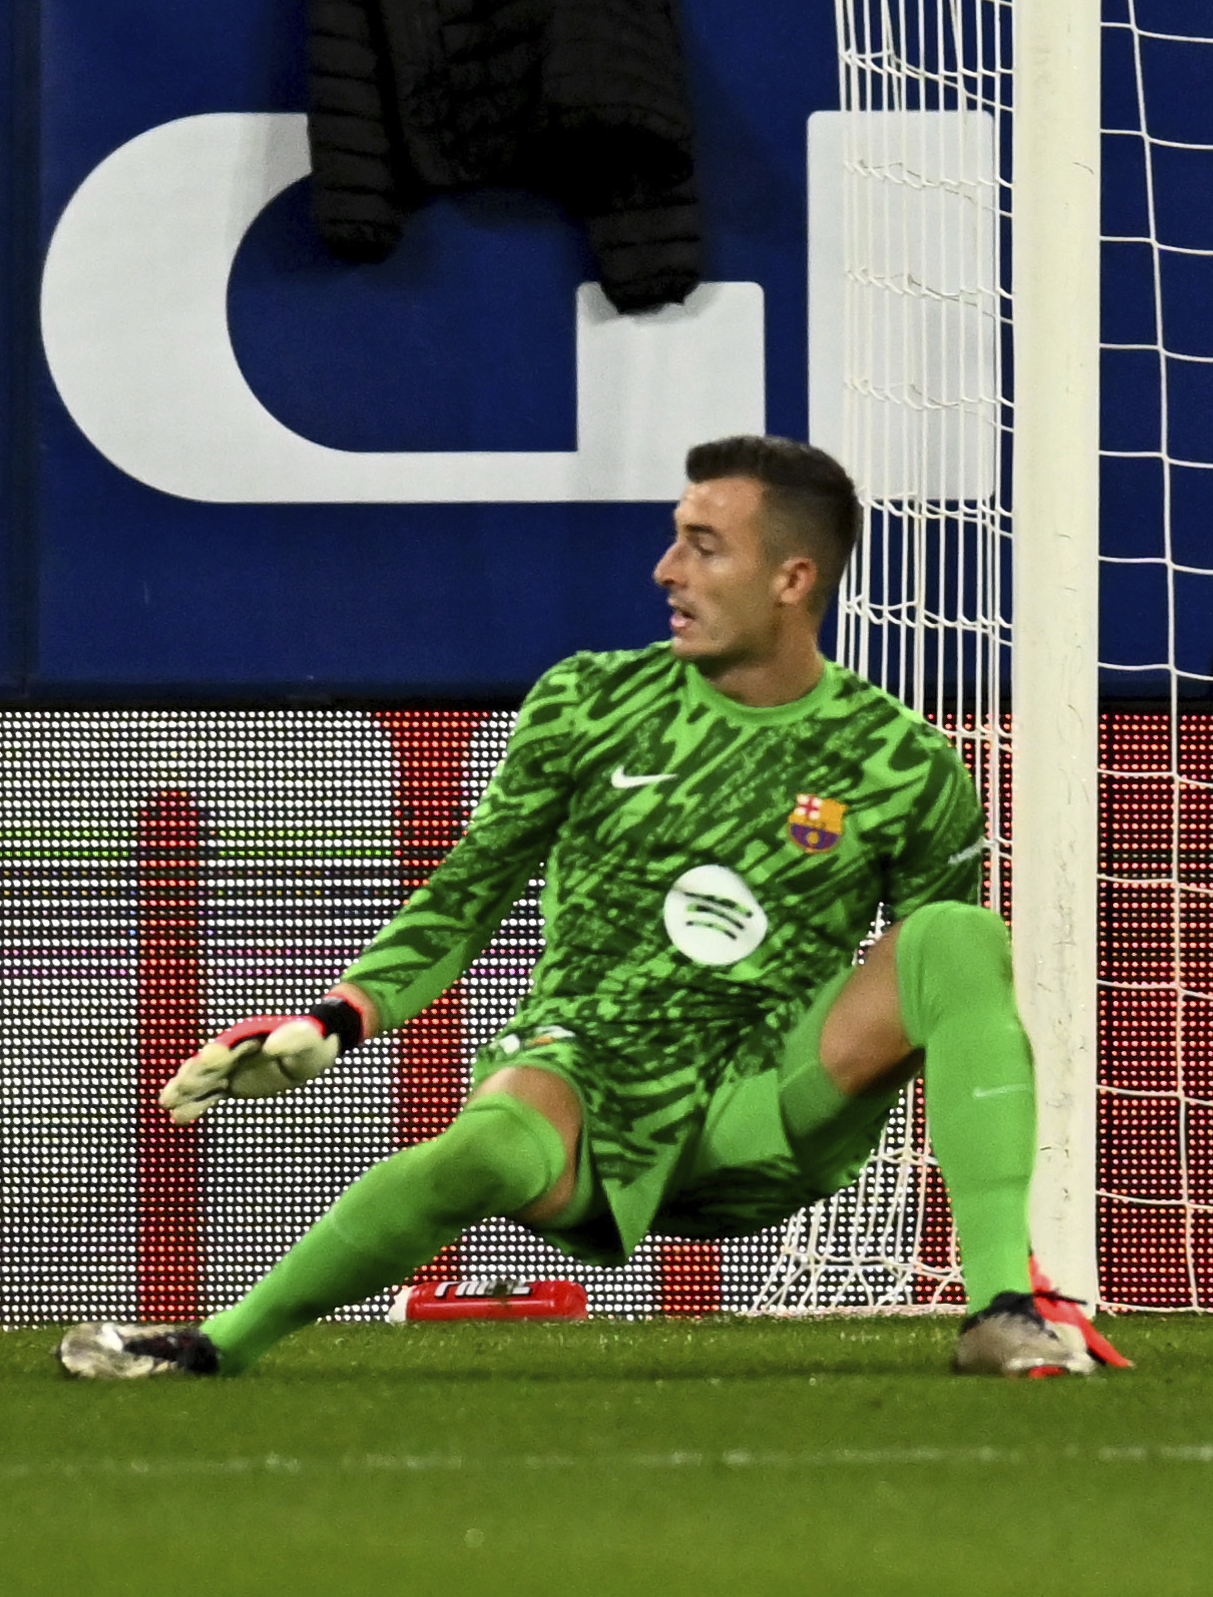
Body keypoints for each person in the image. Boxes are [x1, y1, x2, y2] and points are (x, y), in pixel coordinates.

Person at [60, 435, 1127, 1381]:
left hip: (771, 1103)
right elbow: (470, 887)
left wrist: (1007, 1248)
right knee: (482, 1149)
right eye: (675, 538)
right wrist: (337, 1019)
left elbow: (947, 1005)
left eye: (705, 545)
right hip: (587, 1081)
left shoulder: (901, 760)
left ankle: (1002, 1311)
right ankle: (210, 1345)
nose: (668, 569)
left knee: (958, 933)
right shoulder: (589, 700)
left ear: (794, 577)